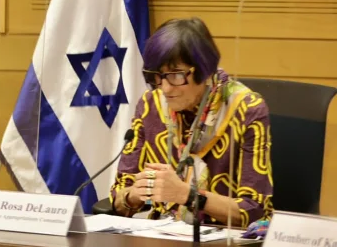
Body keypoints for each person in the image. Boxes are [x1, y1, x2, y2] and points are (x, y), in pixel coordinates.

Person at [109, 18, 273, 226]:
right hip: (160, 236)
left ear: (205, 72)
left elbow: (254, 210)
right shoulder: (151, 105)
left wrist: (188, 195)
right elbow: (117, 199)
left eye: (176, 75)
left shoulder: (247, 110)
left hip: (224, 244)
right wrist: (135, 194)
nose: (165, 88)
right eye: (158, 76)